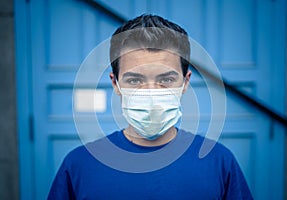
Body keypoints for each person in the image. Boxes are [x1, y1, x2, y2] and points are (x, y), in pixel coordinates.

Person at [48, 14, 253, 199]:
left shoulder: (219, 162)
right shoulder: (79, 166)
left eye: (166, 80)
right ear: (115, 83)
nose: (151, 93)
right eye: (135, 81)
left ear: (185, 82)